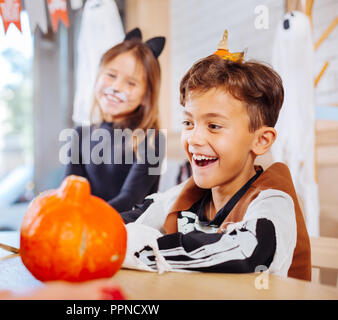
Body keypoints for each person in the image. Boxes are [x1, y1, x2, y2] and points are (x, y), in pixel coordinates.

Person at [122, 31, 311, 281]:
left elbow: (247, 251)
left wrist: (140, 250)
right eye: (188, 123)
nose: (194, 138)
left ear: (261, 140)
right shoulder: (182, 198)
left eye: (214, 126)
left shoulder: (274, 201)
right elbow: (119, 225)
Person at [64, 28, 166, 213]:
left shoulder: (151, 140)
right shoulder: (80, 135)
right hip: (83, 231)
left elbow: (130, 200)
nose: (116, 87)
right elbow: (70, 193)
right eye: (111, 75)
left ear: (146, 96)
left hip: (130, 234)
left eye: (131, 83)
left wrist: (85, 220)